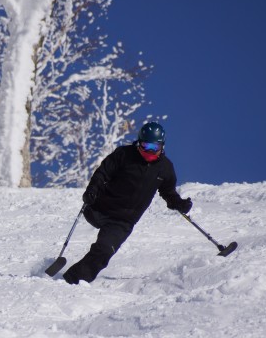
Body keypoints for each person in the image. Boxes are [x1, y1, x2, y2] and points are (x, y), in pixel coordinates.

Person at [62, 122, 193, 285]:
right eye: (146, 145)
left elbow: (168, 192)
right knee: (101, 238)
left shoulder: (165, 169)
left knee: (104, 250)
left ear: (162, 146)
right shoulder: (124, 155)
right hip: (99, 208)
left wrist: (178, 203)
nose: (150, 151)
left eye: (155, 146)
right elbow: (102, 173)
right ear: (139, 143)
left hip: (122, 221)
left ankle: (71, 282)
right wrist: (92, 191)